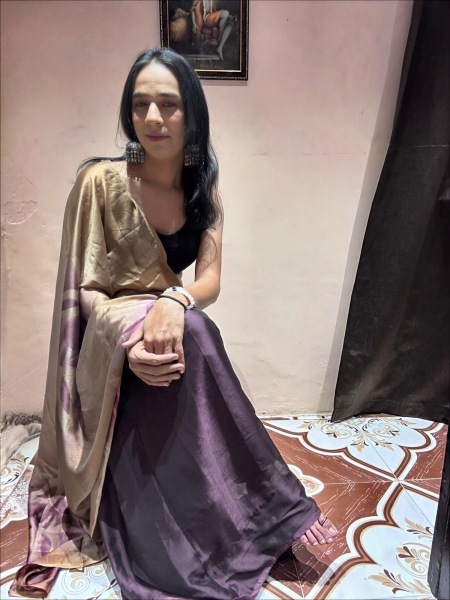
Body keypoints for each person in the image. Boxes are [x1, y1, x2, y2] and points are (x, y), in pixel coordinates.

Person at [10, 47, 337, 600]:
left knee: (194, 330)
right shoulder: (100, 182)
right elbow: (83, 292)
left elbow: (209, 280)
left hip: (169, 331)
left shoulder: (202, 186)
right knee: (198, 334)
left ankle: (252, 511)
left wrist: (173, 300)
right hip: (110, 351)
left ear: (192, 113)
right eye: (140, 105)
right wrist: (127, 344)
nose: (153, 118)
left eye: (168, 104)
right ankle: (268, 503)